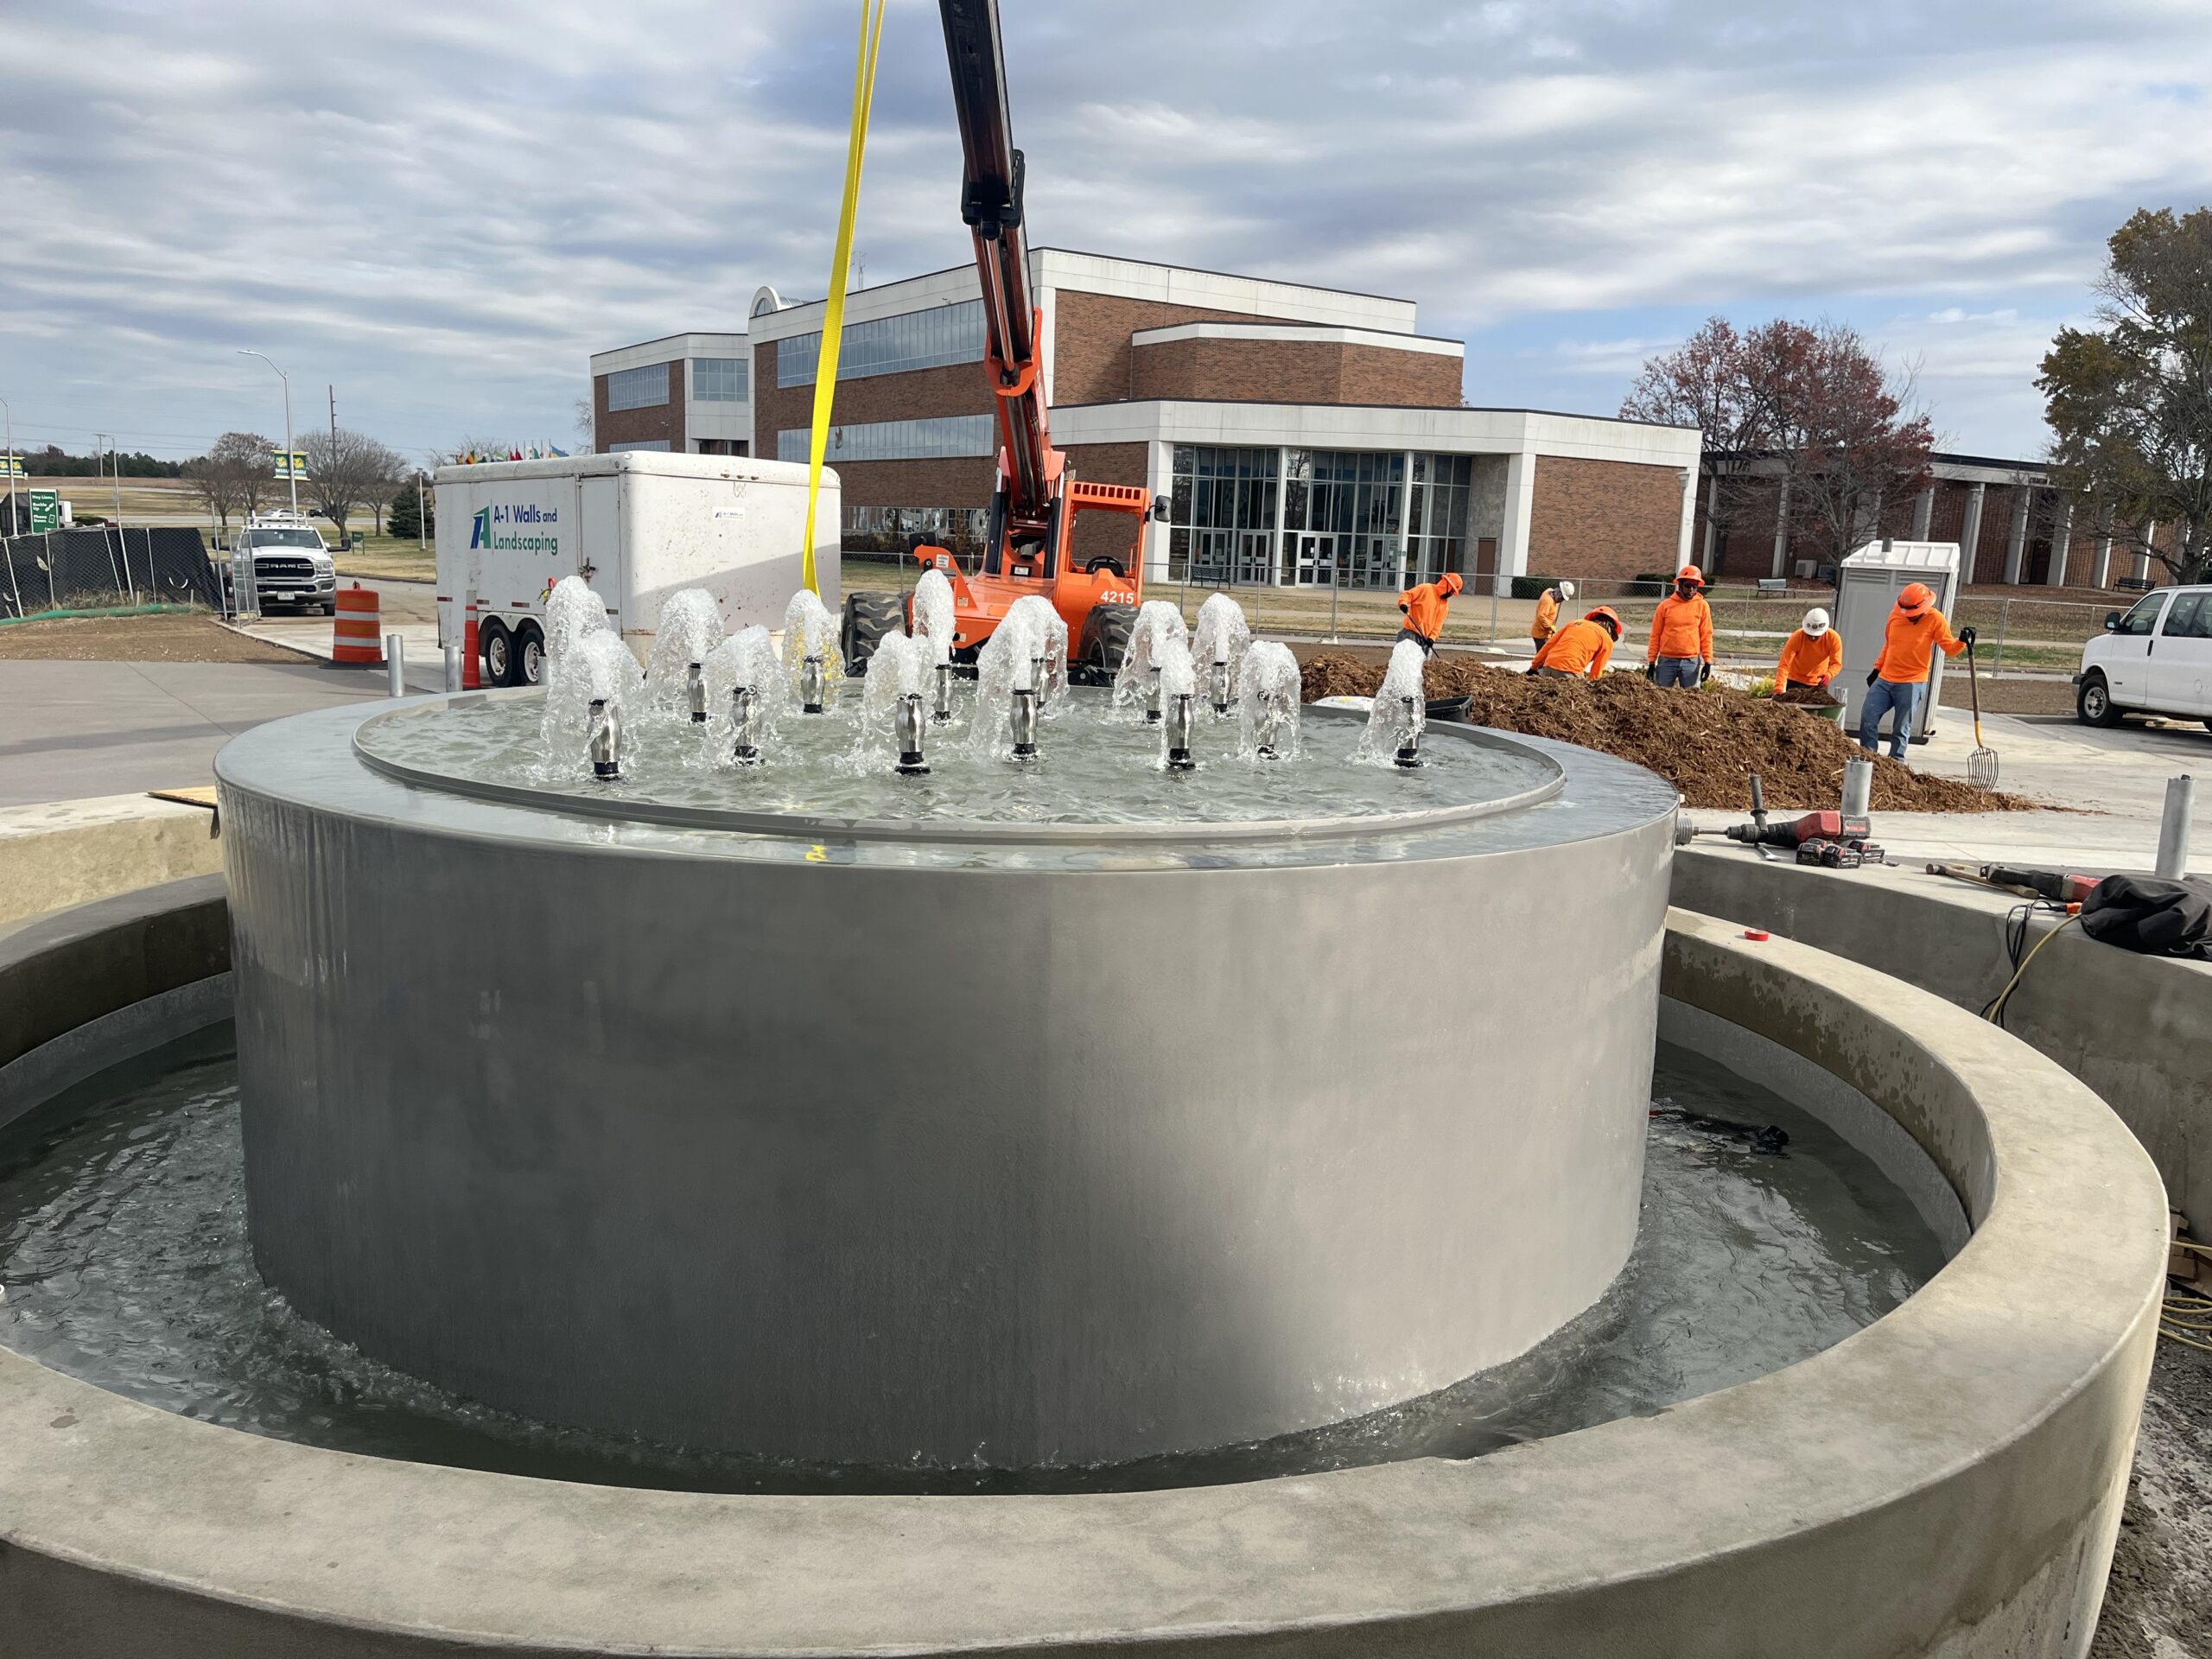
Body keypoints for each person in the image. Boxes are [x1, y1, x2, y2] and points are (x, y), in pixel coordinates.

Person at [1859, 582, 1974, 760]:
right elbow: (1889, 645)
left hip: (1912, 681)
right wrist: (1877, 668)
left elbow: (1950, 650)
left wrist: (1961, 641)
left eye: (1913, 613)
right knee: (1868, 717)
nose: (1908, 616)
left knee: (1901, 727)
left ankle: (1896, 763)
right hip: (1885, 678)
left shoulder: (1935, 619)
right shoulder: (1895, 616)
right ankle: (1867, 758)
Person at [1645, 564, 1713, 689]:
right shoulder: (1665, 606)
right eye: (1688, 586)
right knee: (1661, 697)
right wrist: (1651, 662)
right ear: (1680, 585)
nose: (1691, 590)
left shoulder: (1702, 606)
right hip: (1667, 661)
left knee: (1691, 700)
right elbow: (1655, 635)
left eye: (1695, 587)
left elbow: (1706, 635)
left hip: (1691, 662)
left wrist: (1708, 661)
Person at [1530, 607, 1622, 680]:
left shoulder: (1574, 623)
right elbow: (1596, 672)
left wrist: (1533, 667)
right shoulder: (1607, 640)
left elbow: (1549, 645)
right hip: (1570, 674)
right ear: (1611, 628)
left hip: (1548, 668)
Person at [1775, 607, 1843, 694]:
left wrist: (1829, 675)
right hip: (1795, 681)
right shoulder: (1797, 637)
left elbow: (1836, 663)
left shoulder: (1833, 638)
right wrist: (1779, 687)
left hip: (1818, 684)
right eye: (1809, 634)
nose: (1813, 637)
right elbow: (1784, 664)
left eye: (1817, 635)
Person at [1396, 570, 1464, 655]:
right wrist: (1403, 603)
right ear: (1446, 584)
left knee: (1417, 664)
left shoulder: (1444, 606)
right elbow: (1407, 595)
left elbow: (1438, 625)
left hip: (1425, 638)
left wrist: (1432, 638)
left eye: (1453, 592)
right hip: (1410, 633)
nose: (1451, 594)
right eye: (1452, 590)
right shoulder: (1426, 589)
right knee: (1405, 661)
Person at [1530, 580, 1576, 648]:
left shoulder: (1549, 591)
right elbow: (1541, 616)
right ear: (1559, 593)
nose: (1561, 601)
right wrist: (1550, 627)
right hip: (1541, 634)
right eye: (1562, 598)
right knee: (1543, 655)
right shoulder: (1548, 601)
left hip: (1544, 633)